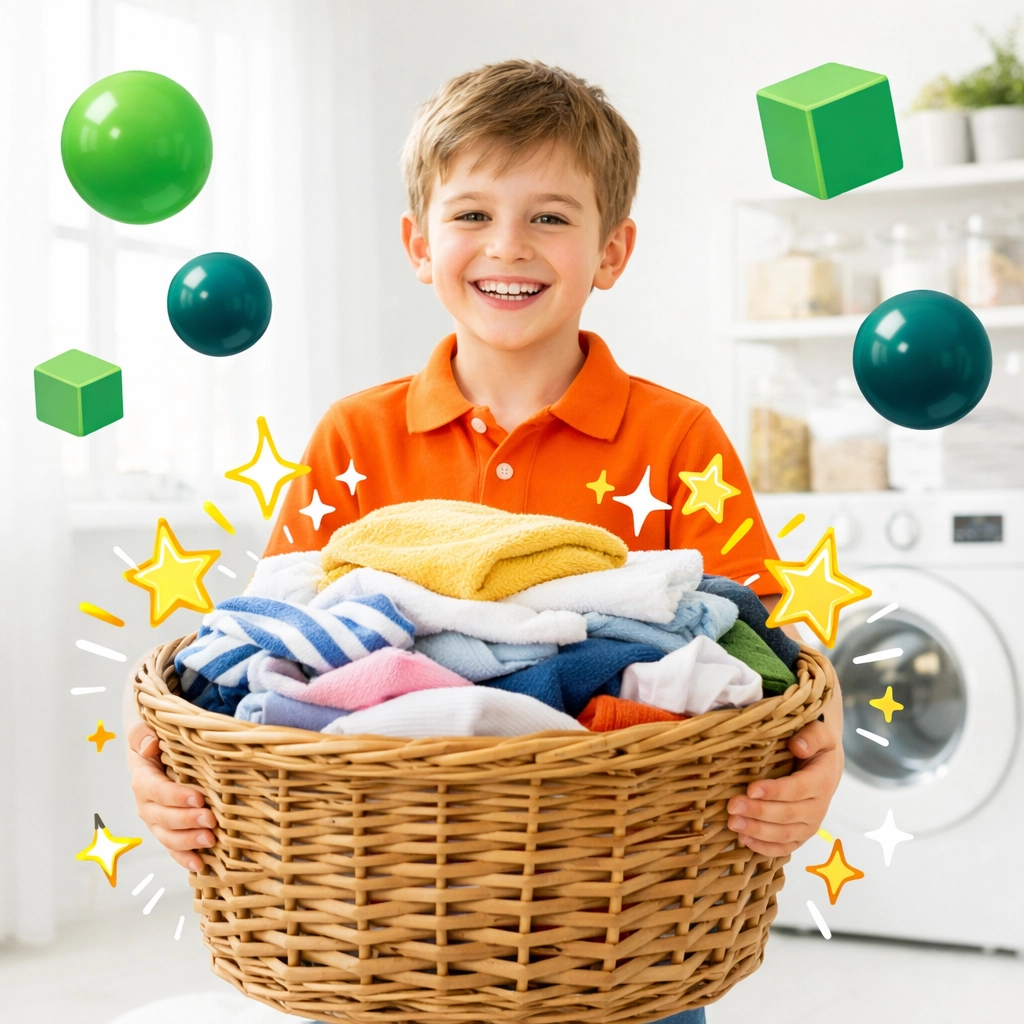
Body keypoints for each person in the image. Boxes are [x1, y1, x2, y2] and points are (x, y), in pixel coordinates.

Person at [123, 60, 844, 1024]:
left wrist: (821, 764)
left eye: (551, 216)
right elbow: (261, 655)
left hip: (624, 923)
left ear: (612, 251)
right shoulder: (357, 436)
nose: (509, 245)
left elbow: (774, 662)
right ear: (419, 244)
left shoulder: (676, 438)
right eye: (471, 215)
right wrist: (155, 767)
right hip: (385, 922)